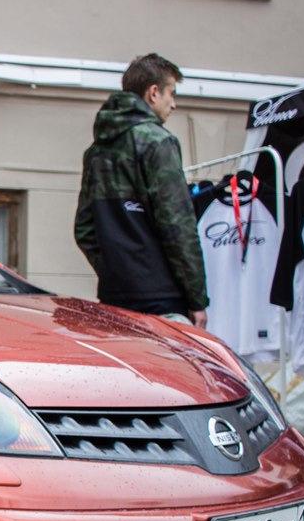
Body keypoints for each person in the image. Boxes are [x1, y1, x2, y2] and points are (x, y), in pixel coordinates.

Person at [74, 53, 208, 328]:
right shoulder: (158, 142)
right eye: (172, 93)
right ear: (154, 92)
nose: (174, 104)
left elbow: (85, 230)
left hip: (114, 295)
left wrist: (116, 271)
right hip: (162, 297)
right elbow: (178, 225)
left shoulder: (96, 151)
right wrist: (197, 299)